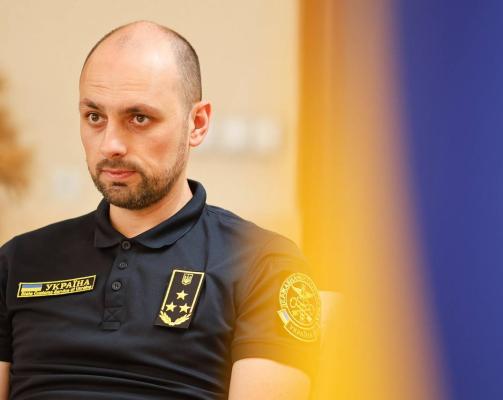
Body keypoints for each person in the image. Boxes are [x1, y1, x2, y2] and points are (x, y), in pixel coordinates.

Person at [0, 21, 320, 399]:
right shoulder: (19, 260)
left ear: (197, 124)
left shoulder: (264, 263)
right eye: (95, 117)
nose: (111, 144)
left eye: (139, 118)